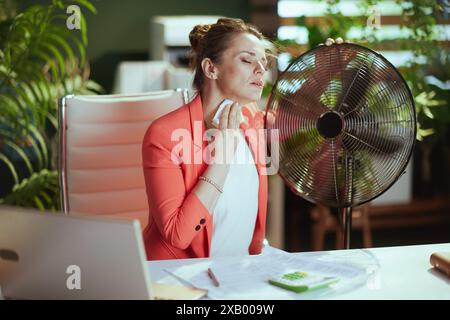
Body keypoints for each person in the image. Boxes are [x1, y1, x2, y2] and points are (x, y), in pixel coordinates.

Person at [142, 18, 272, 260]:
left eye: (264, 63)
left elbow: (313, 122)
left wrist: (333, 66)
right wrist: (222, 159)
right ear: (211, 68)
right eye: (247, 60)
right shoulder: (164, 135)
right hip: (178, 280)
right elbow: (178, 235)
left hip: (237, 275)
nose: (261, 70)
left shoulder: (254, 120)